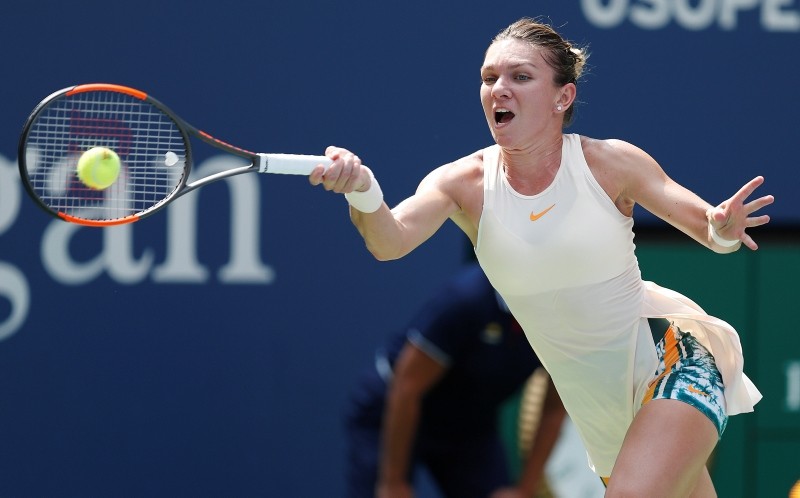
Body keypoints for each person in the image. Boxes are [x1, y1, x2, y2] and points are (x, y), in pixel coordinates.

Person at [312, 17, 774, 497]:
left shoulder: (611, 163)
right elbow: (389, 242)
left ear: (563, 97)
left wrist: (721, 228)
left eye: (520, 77)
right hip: (608, 424)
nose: (499, 90)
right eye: (489, 78)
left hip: (674, 360)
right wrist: (363, 191)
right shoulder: (462, 184)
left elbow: (710, 229)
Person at [343, 262, 567, 498]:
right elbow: (406, 387)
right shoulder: (467, 298)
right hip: (393, 409)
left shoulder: (564, 318)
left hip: (470, 428)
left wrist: (523, 490)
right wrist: (393, 483)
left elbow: (554, 409)